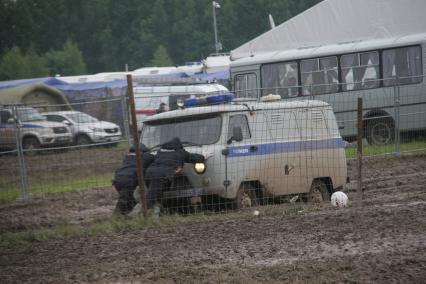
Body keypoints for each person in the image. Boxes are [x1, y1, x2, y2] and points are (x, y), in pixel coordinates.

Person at [145, 137, 205, 209]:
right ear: (179, 147)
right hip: (163, 175)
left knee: (153, 192)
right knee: (154, 194)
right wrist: (203, 156)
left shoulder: (159, 152)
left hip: (149, 173)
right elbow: (194, 158)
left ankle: (147, 208)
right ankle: (148, 208)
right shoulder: (180, 153)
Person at [112, 143, 154, 215]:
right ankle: (119, 215)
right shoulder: (145, 156)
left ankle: (123, 214)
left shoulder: (127, 156)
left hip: (118, 179)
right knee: (127, 199)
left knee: (126, 198)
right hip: (130, 179)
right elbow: (153, 159)